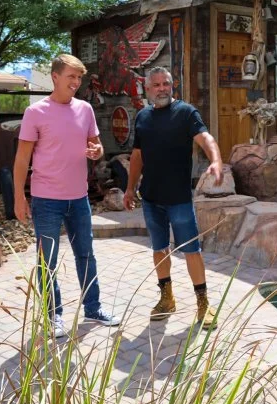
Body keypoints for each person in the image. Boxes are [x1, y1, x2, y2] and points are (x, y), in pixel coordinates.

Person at [13, 54, 120, 338]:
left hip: (79, 198)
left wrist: (97, 152)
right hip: (46, 199)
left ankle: (93, 308)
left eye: (79, 78)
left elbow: (95, 146)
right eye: (71, 76)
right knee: (47, 262)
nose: (76, 82)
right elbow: (22, 159)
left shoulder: (85, 109)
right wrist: (18, 197)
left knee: (86, 255)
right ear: (55, 77)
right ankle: (53, 316)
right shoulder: (35, 113)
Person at [124, 66, 223, 330]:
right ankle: (166, 299)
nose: (162, 89)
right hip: (151, 198)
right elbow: (137, 156)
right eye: (156, 85)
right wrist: (130, 188)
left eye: (166, 83)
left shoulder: (185, 113)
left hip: (179, 199)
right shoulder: (143, 117)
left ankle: (203, 304)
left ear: (172, 85)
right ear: (147, 89)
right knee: (159, 249)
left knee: (191, 250)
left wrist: (216, 160)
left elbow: (205, 138)